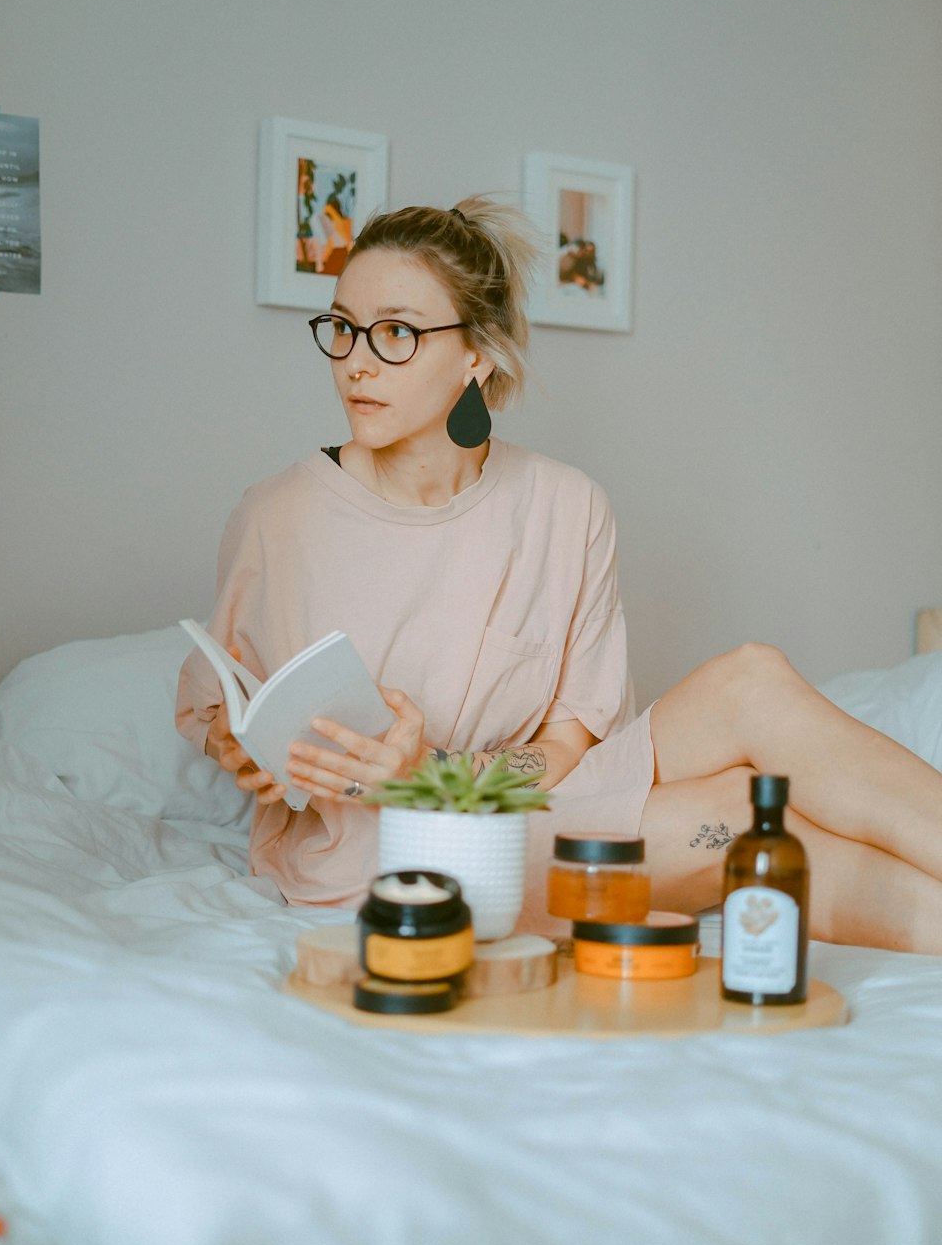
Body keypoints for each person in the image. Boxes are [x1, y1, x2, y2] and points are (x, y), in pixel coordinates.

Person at [176, 197, 942, 954]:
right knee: (743, 817)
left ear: (476, 352)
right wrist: (242, 748)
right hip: (390, 851)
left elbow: (568, 748)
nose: (357, 362)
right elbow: (223, 709)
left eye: (398, 333)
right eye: (342, 328)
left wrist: (433, 767)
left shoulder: (567, 506)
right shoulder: (277, 516)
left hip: (527, 799)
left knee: (753, 677)